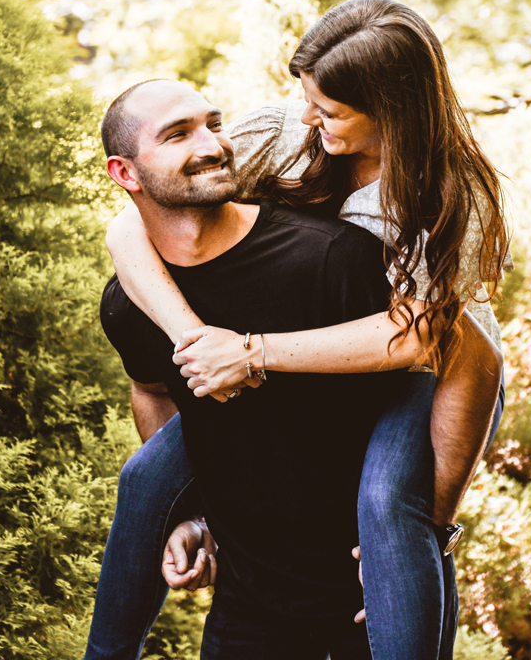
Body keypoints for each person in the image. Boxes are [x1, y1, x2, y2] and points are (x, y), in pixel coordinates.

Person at [92, 0, 510, 660]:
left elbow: (422, 341)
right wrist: (199, 343)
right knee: (146, 479)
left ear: (393, 111)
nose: (310, 117)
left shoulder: (452, 197)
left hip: (431, 379)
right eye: (308, 97)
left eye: (332, 110)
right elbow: (131, 219)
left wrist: (252, 353)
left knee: (387, 514)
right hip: (293, 358)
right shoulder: (286, 132)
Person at [96, 78, 405, 658]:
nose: (213, 145)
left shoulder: (331, 259)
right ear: (125, 174)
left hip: (365, 605)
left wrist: (407, 550)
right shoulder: (130, 303)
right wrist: (196, 519)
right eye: (178, 135)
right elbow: (153, 392)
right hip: (246, 613)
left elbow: (415, 405)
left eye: (213, 123)